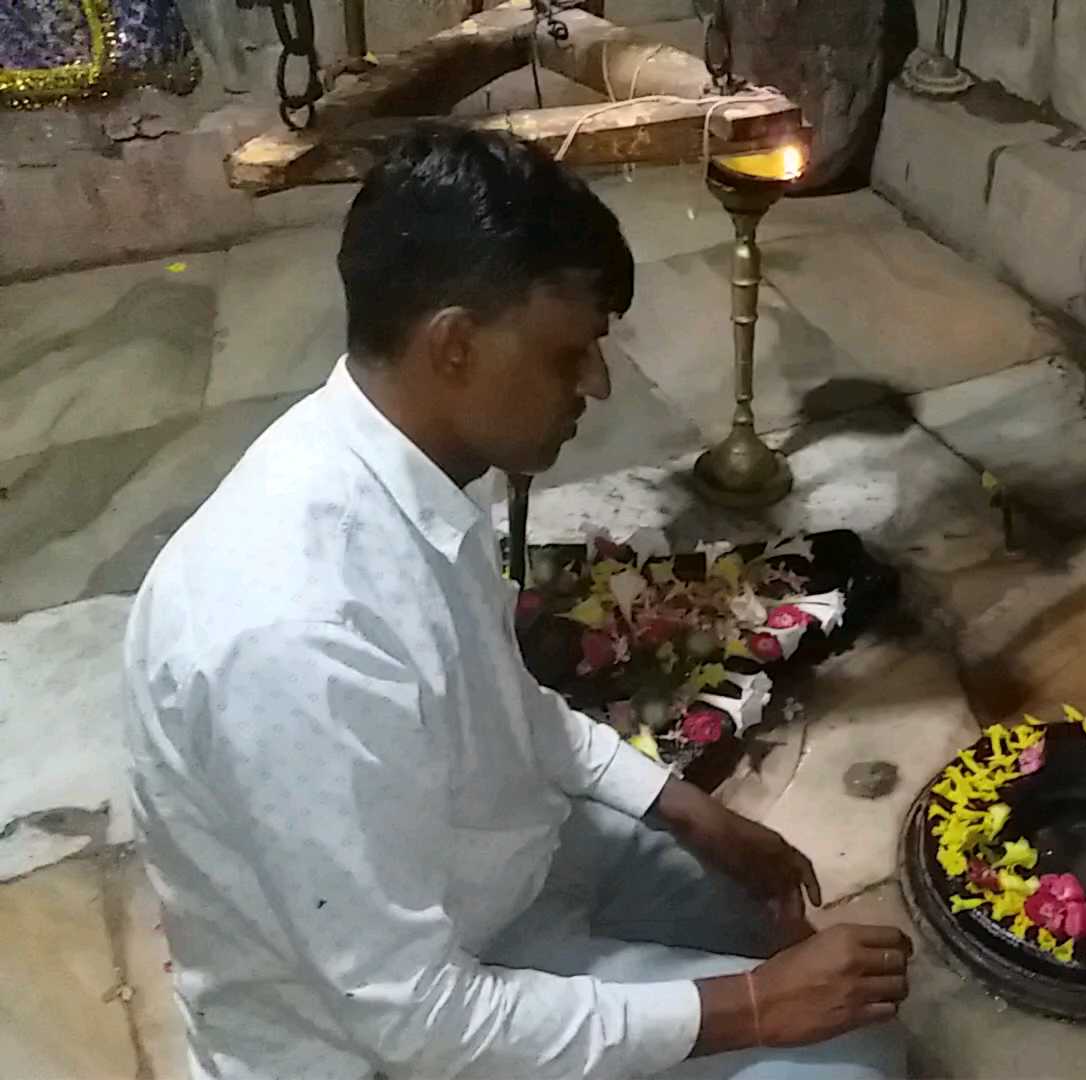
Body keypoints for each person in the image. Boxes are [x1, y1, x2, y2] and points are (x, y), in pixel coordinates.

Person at [124, 128, 911, 1079]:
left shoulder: (407, 466)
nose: (599, 383)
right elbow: (417, 1019)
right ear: (454, 344)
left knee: (775, 918)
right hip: (383, 1035)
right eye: (566, 354)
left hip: (504, 877)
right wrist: (749, 1009)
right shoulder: (295, 636)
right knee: (853, 1057)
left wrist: (678, 805)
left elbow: (495, 697)